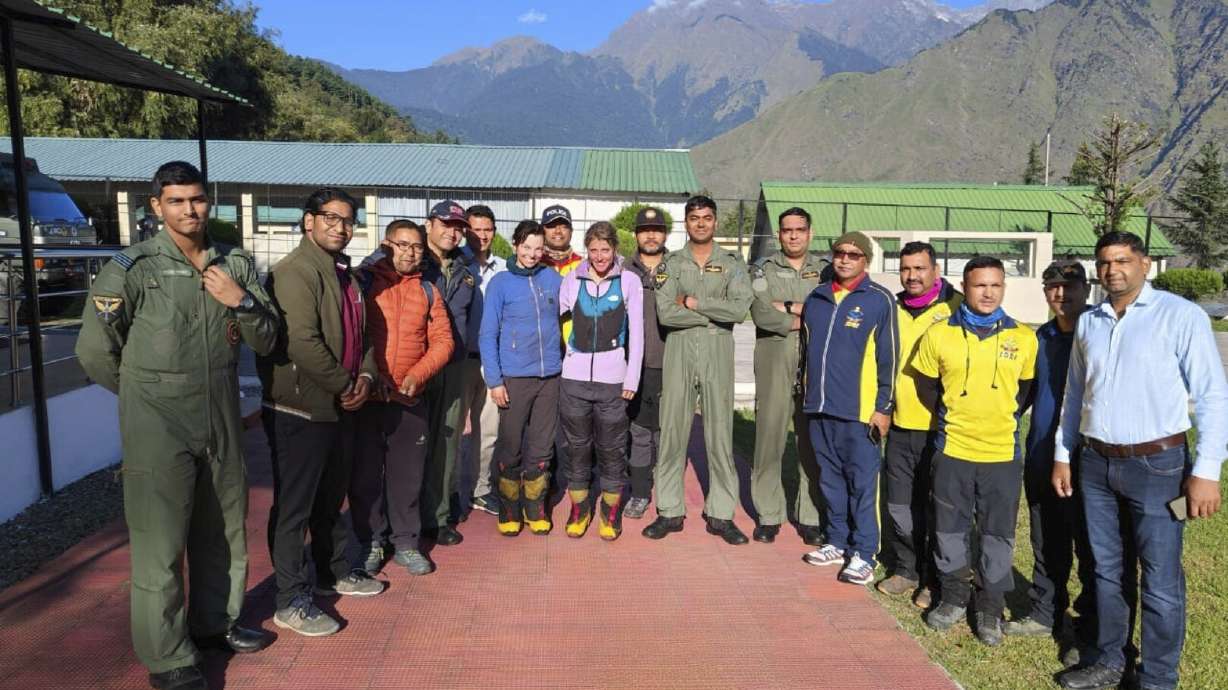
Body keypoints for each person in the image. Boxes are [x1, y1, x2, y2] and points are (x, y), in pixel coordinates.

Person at [76, 161, 277, 690]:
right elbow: (95, 349)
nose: (191, 210)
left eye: (198, 199)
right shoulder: (135, 266)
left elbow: (268, 337)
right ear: (157, 207)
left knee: (223, 530)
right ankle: (168, 657)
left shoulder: (234, 262)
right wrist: (144, 398)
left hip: (220, 414)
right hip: (158, 422)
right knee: (160, 544)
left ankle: (215, 623)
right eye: (178, 200)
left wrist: (243, 301)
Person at [1054, 232, 1228, 690]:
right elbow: (1075, 394)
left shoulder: (1181, 316)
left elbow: (1211, 395)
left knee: (1160, 577)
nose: (1114, 270)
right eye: (1105, 263)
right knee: (1105, 570)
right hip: (1094, 465)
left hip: (1160, 467)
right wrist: (1063, 454)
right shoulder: (1090, 320)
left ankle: (1157, 677)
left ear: (1145, 264)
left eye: (1123, 261)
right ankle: (1110, 660)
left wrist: (1207, 472)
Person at [259, 187, 385, 640]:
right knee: (296, 507)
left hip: (341, 406)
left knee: (331, 499)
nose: (340, 227)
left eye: (348, 220)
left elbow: (367, 337)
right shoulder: (295, 272)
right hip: (300, 409)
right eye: (330, 217)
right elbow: (301, 343)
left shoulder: (345, 276)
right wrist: (346, 384)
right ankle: (290, 597)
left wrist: (366, 379)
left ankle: (333, 572)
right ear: (308, 221)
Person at [914, 256, 1037, 647]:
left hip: (1001, 454)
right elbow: (927, 388)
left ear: (1003, 288)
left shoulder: (1023, 337)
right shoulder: (938, 334)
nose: (988, 292)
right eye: (980, 285)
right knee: (949, 529)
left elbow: (1026, 392)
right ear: (964, 288)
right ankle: (952, 596)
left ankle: (989, 606)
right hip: (953, 450)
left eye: (995, 285)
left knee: (996, 533)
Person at [642, 195, 753, 545]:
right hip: (679, 346)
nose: (701, 223)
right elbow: (666, 313)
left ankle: (721, 514)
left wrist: (694, 302)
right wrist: (711, 312)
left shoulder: (733, 264)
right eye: (694, 218)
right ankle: (670, 511)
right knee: (673, 429)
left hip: (718, 348)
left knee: (720, 431)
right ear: (686, 222)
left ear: (716, 221)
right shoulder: (671, 263)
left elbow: (739, 311)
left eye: (707, 217)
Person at [1003, 261, 1098, 654]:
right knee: (1046, 540)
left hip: (1090, 461)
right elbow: (1019, 396)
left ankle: (1091, 626)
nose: (1062, 294)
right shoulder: (1037, 339)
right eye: (1053, 288)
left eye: (1070, 286)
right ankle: (1045, 612)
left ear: (1086, 289)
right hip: (1043, 456)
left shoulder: (1100, 333)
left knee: (1093, 548)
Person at [349, 220, 453, 577]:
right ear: (386, 244)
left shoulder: (428, 291)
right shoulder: (363, 284)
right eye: (402, 244)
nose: (410, 252)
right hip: (369, 397)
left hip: (410, 398)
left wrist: (417, 375)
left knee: (407, 476)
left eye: (417, 247)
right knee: (365, 477)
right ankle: (372, 542)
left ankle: (407, 543)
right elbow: (353, 333)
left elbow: (443, 342)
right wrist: (368, 374)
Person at [799, 231, 897, 585]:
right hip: (820, 409)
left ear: (865, 261)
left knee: (862, 485)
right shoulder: (817, 298)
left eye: (853, 255)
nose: (844, 259)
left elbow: (890, 359)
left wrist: (883, 406)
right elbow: (805, 353)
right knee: (829, 480)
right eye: (840, 252)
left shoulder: (879, 300)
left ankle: (865, 552)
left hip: (859, 414)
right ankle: (837, 541)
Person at [877, 241, 961, 607]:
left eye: (920, 268)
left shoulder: (956, 308)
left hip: (940, 428)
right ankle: (905, 569)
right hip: (899, 424)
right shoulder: (892, 309)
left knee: (936, 507)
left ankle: (933, 577)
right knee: (899, 505)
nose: (912, 275)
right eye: (906, 268)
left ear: (935, 270)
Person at [558, 222, 644, 540]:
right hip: (574, 381)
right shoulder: (571, 278)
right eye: (593, 250)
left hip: (613, 382)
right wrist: (566, 361)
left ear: (615, 250)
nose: (599, 256)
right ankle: (579, 509)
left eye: (605, 250)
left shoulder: (629, 282)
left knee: (612, 449)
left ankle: (609, 513)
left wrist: (631, 377)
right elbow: (560, 322)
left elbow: (637, 334)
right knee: (577, 448)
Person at [479, 220, 564, 536]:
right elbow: (487, 334)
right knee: (511, 445)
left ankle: (535, 506)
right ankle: (510, 507)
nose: (532, 254)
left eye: (538, 248)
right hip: (514, 378)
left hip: (549, 377)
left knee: (542, 446)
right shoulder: (501, 283)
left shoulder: (552, 278)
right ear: (515, 246)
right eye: (526, 247)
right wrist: (495, 379)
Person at [748, 207, 827, 545]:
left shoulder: (825, 272)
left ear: (810, 233)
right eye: (787, 230)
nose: (793, 235)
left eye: (800, 229)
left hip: (815, 364)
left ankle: (810, 516)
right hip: (774, 360)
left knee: (811, 442)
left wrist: (790, 306)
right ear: (778, 234)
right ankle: (769, 514)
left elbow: (830, 312)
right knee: (769, 439)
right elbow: (761, 312)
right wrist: (805, 315)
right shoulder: (763, 269)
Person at [419, 200, 480, 546]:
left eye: (458, 227)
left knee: (446, 442)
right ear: (430, 224)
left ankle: (438, 516)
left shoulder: (466, 270)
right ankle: (399, 519)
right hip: (414, 365)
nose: (452, 231)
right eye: (445, 223)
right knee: (408, 445)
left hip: (453, 366)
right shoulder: (412, 260)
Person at [459, 204, 506, 516]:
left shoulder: (504, 268)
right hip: (460, 361)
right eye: (475, 230)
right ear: (465, 231)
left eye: (487, 229)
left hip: (492, 362)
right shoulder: (455, 266)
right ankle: (449, 494)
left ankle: (481, 489)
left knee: (487, 431)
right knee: (450, 433)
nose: (482, 236)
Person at [623, 206, 669, 519]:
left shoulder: (679, 266)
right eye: (644, 230)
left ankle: (668, 495)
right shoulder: (623, 269)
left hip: (671, 362)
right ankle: (639, 493)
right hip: (633, 366)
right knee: (639, 431)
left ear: (665, 234)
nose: (650, 235)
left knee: (667, 433)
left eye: (656, 230)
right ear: (637, 234)